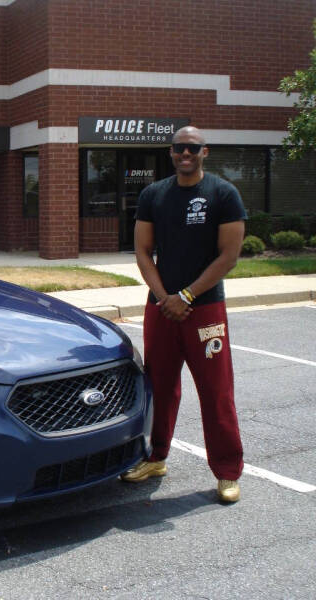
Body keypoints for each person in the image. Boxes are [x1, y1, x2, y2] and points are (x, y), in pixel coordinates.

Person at [121, 125, 245, 503]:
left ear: (205, 151)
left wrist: (188, 294)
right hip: (162, 308)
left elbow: (229, 256)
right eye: (178, 148)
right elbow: (143, 251)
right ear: (171, 152)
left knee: (216, 390)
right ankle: (155, 457)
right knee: (158, 385)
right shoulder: (153, 195)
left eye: (192, 148)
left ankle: (227, 472)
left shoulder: (223, 194)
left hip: (205, 309)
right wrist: (164, 297)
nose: (185, 154)